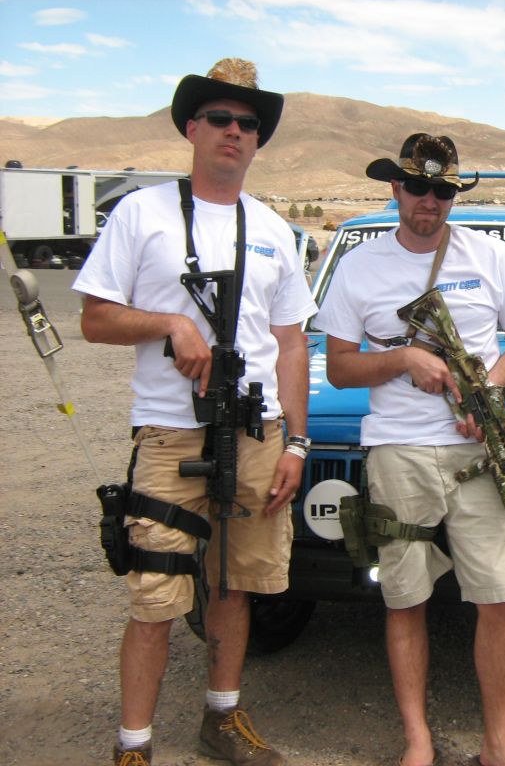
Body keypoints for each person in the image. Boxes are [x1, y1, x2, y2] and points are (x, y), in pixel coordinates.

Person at [74, 58, 317, 766]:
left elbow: (291, 342)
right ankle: (134, 744)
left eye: (248, 123)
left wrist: (297, 443)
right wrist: (171, 325)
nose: (234, 132)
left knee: (236, 586)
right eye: (219, 118)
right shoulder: (141, 213)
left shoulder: (272, 228)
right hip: (171, 433)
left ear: (257, 140)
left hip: (257, 432)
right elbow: (94, 318)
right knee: (155, 592)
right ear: (191, 127)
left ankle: (222, 717)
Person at [316, 133, 505, 766]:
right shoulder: (360, 266)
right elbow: (339, 367)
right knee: (405, 598)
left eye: (442, 190)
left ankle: (499, 743)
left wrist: (489, 394)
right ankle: (417, 740)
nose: (430, 201)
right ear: (396, 187)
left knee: (499, 597)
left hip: (479, 454)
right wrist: (403, 359)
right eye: (418, 187)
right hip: (399, 450)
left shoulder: (491, 256)